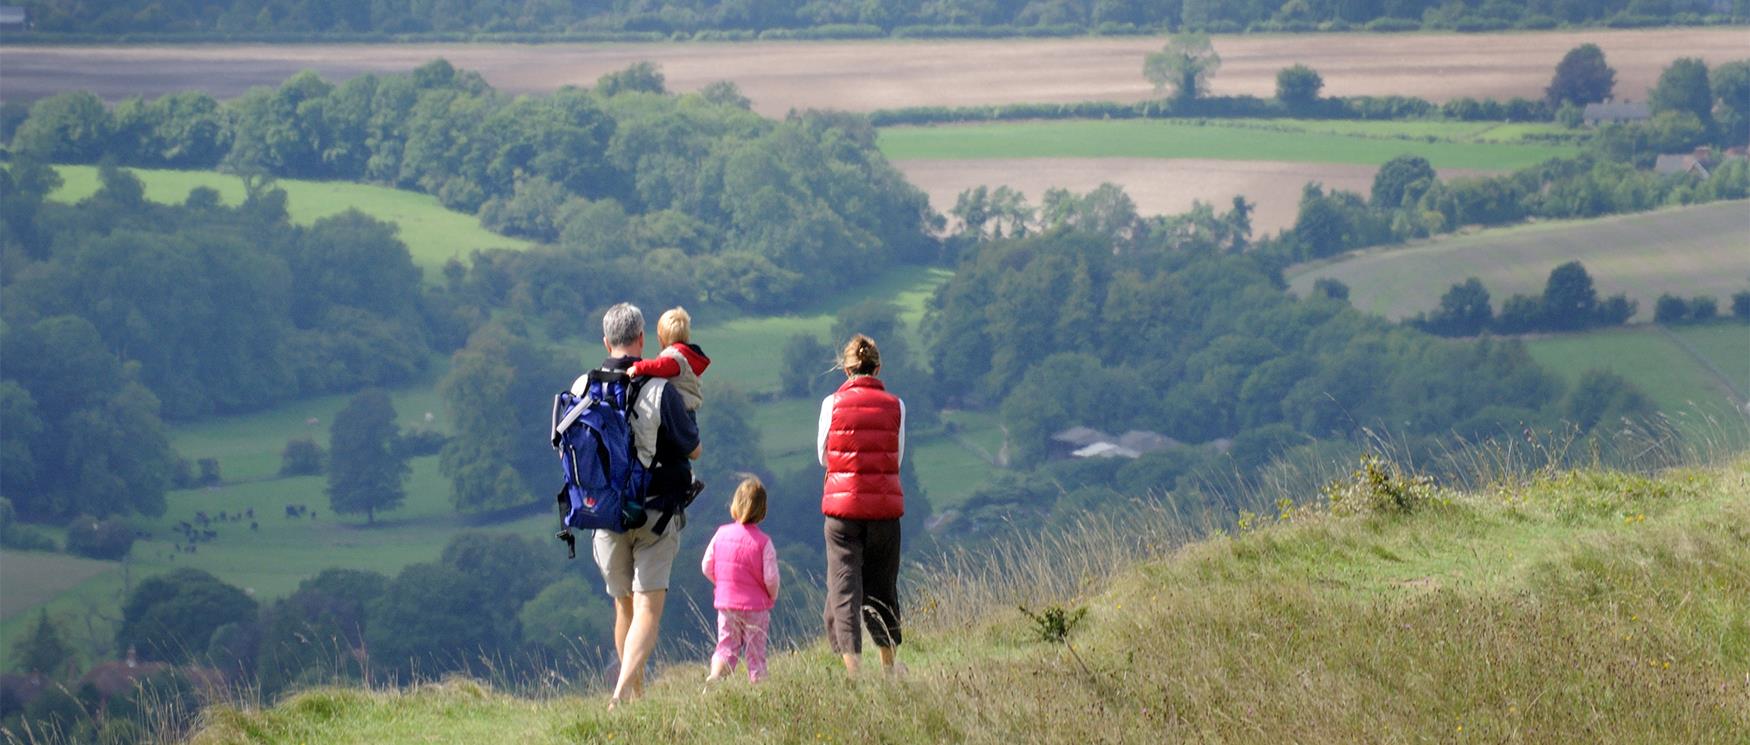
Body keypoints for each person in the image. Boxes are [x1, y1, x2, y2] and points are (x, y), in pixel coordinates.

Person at [585, 302, 701, 708]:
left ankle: (636, 698)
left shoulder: (584, 386)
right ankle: (621, 694)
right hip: (654, 512)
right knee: (648, 608)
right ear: (641, 340)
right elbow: (694, 447)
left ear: (606, 341)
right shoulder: (659, 388)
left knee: (624, 607)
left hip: (604, 512)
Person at [816, 334, 906, 676]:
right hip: (885, 511)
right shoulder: (897, 405)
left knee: (843, 590)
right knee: (882, 589)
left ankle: (853, 672)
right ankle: (889, 669)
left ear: (845, 368)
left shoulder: (831, 404)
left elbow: (823, 456)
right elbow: (897, 456)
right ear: (878, 367)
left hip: (842, 512)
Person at [700, 476, 780, 683]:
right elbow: (771, 578)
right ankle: (758, 687)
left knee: (726, 647)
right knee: (756, 654)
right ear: (762, 510)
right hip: (756, 607)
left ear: (735, 504)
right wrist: (771, 596)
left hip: (727, 604)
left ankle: (716, 676)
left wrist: (722, 583)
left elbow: (706, 566)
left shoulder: (720, 534)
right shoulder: (764, 542)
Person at [629, 307, 711, 412]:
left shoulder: (674, 358)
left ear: (662, 338)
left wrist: (638, 367)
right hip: (688, 411)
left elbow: (658, 366)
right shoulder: (687, 356)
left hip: (677, 413)